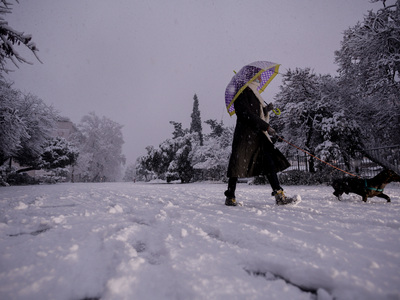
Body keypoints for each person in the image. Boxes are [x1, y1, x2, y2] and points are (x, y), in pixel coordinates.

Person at [224, 77, 296, 206]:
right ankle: (230, 196)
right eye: (257, 77)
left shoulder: (254, 94)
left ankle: (279, 194)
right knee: (237, 165)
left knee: (268, 162)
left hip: (257, 136)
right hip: (245, 137)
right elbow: (246, 114)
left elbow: (255, 113)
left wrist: (266, 110)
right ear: (249, 79)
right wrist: (266, 127)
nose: (260, 78)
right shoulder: (241, 94)